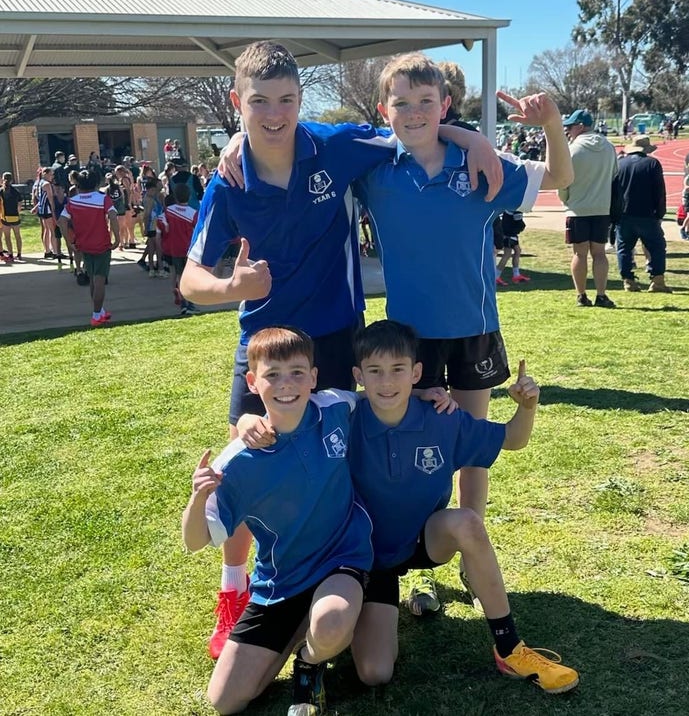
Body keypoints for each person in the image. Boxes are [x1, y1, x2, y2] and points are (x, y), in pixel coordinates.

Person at [180, 41, 501, 658]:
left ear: (301, 100)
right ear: (235, 102)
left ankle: (358, 570)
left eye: (286, 100)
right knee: (251, 461)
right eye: (259, 102)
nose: (275, 114)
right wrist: (231, 287)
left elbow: (411, 127)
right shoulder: (229, 182)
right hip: (267, 344)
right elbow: (191, 280)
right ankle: (234, 596)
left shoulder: (335, 145)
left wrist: (469, 138)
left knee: (347, 462)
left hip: (336, 337)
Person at [238, 320, 580, 696]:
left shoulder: (441, 417)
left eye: (398, 370)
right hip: (365, 560)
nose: (387, 382)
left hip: (423, 539)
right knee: (374, 672)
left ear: (416, 372)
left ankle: (509, 647)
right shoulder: (345, 419)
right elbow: (293, 416)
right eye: (375, 372)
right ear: (359, 376)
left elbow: (513, 439)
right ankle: (321, 624)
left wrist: (528, 405)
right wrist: (248, 420)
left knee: (466, 522)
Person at [351, 53, 572, 613]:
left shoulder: (480, 166)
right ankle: (414, 556)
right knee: (410, 449)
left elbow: (562, 179)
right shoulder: (376, 170)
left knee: (472, 445)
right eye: (402, 103)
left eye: (428, 103)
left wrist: (549, 125)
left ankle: (474, 550)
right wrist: (237, 143)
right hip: (409, 344)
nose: (415, 112)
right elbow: (315, 143)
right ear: (385, 110)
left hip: (472, 331)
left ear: (445, 105)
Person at [182, 326, 374, 716]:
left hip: (342, 558)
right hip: (281, 581)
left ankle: (310, 660)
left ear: (314, 378)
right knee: (226, 700)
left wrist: (430, 392)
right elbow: (195, 540)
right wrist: (198, 497)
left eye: (297, 373)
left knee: (334, 623)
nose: (286, 384)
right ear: (252, 382)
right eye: (273, 375)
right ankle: (303, 623)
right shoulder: (236, 462)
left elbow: (380, 396)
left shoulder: (334, 407)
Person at [558, 109, 617, 308]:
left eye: (570, 126)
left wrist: (565, 199)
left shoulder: (572, 149)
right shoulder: (609, 147)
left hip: (577, 209)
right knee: (599, 253)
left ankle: (581, 295)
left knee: (579, 253)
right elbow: (614, 174)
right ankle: (601, 294)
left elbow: (563, 180)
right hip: (602, 208)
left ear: (580, 126)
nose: (568, 131)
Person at [58, 169, 119, 326]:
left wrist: (69, 242)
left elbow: (62, 221)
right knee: (100, 279)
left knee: (92, 278)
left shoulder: (73, 201)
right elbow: (113, 216)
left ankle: (99, 311)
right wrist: (117, 238)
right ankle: (97, 314)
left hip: (83, 245)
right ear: (96, 183)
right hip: (102, 244)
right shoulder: (103, 199)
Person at [614, 136, 672, 293]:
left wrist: (614, 214)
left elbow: (614, 191)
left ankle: (628, 280)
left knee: (624, 248)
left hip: (624, 214)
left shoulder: (620, 164)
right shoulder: (652, 163)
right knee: (657, 247)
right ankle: (657, 280)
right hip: (647, 214)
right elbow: (659, 191)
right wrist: (660, 212)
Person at [158, 182, 199, 315]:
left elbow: (162, 224)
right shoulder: (193, 213)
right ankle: (190, 300)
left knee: (179, 275)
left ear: (175, 197)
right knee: (190, 275)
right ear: (189, 196)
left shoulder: (169, 211)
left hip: (175, 248)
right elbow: (198, 231)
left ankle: (183, 302)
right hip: (189, 249)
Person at [493, 210, 529, 286]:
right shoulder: (515, 209)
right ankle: (496, 276)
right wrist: (521, 228)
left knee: (517, 251)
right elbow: (519, 223)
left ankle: (516, 275)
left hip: (509, 233)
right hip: (509, 234)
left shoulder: (509, 208)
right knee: (507, 254)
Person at [0, 172, 23, 262]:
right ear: (12, 180)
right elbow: (19, 205)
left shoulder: (1, 191)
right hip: (15, 217)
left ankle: (10, 254)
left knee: (7, 237)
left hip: (5, 217)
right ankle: (19, 254)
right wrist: (17, 213)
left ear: (3, 179)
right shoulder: (16, 191)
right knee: (18, 236)